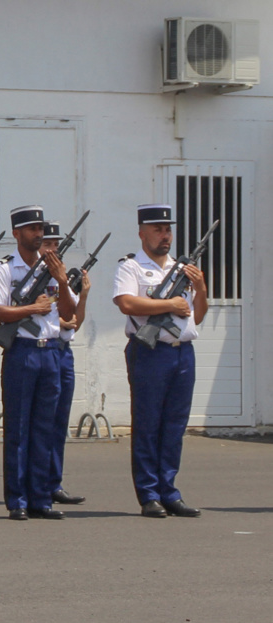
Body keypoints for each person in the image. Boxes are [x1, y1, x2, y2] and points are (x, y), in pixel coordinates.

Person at [112, 204, 206, 519]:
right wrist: (169, 304)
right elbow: (126, 303)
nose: (165, 236)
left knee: (174, 426)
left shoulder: (181, 269)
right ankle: (149, 494)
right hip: (150, 352)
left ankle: (170, 491)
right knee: (148, 424)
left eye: (168, 230)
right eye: (158, 230)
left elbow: (197, 315)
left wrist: (200, 287)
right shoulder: (131, 266)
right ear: (142, 233)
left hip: (183, 352)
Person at [0, 205, 76, 521]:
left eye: (41, 229)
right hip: (22, 351)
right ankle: (18, 500)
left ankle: (41, 498)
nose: (38, 234)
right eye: (32, 229)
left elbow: (67, 313)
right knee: (19, 429)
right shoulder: (5, 269)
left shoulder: (51, 268)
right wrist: (30, 310)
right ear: (17, 233)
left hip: (50, 351)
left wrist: (62, 282)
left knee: (44, 428)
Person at [51, 220, 89, 506]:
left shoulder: (61, 278)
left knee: (59, 421)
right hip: (43, 349)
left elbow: (75, 320)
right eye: (48, 244)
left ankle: (54, 482)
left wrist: (83, 294)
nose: (53, 250)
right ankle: (34, 484)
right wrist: (58, 322)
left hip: (64, 351)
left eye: (56, 245)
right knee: (39, 422)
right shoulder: (24, 275)